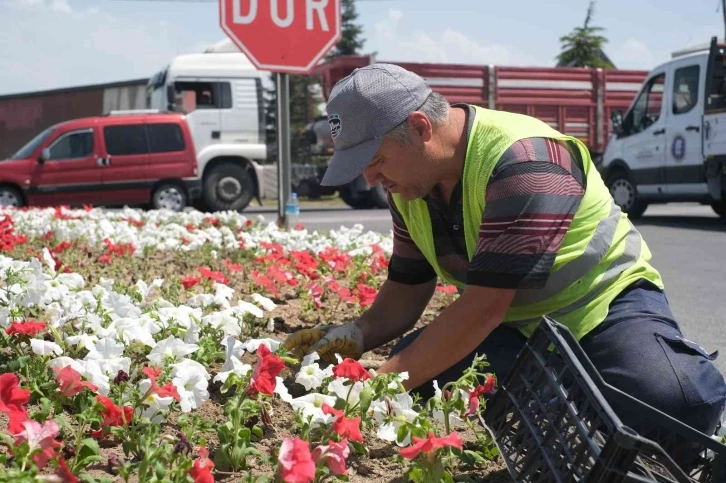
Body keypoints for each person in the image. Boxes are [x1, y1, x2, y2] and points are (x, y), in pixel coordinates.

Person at [283, 63, 726, 441]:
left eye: (375, 162)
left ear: (420, 128)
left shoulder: (526, 160)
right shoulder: (410, 186)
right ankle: (570, 391)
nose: (372, 180)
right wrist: (353, 336)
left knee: (676, 403)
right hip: (515, 329)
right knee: (417, 384)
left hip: (602, 309)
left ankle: (634, 367)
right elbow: (407, 288)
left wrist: (373, 388)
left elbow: (483, 308)